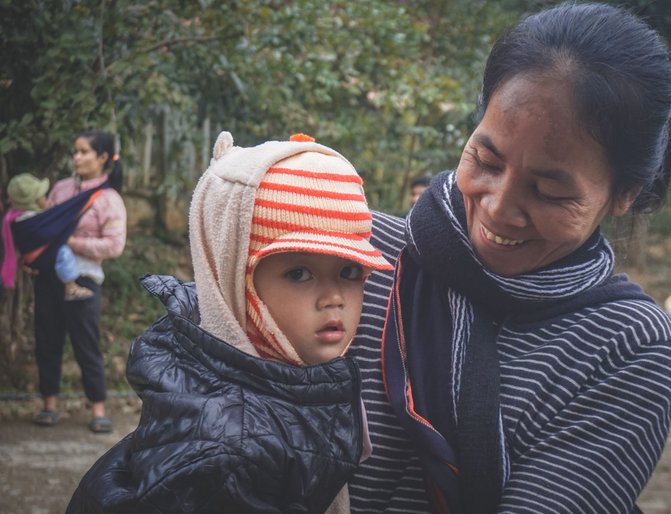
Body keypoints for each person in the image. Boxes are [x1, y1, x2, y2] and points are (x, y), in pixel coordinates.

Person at [344, 3, 671, 513]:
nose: (500, 209)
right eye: (485, 160)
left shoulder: (628, 345)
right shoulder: (351, 252)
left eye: (550, 191)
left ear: (624, 195)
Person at [67, 132, 393, 513]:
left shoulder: (267, 380)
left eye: (350, 271)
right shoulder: (232, 453)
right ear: (233, 277)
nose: (333, 297)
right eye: (300, 273)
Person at [31, 130, 127, 432]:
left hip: (84, 279)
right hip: (48, 277)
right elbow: (43, 229)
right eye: (75, 151)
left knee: (86, 343)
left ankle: (98, 408)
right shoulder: (59, 190)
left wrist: (71, 242)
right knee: (47, 339)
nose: (77, 157)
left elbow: (114, 245)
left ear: (102, 158)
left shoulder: (108, 200)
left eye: (84, 152)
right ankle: (49, 404)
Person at [2, 172, 94, 301]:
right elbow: (52, 231)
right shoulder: (36, 219)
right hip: (39, 254)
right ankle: (70, 286)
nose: (46, 199)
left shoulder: (13, 217)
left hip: (30, 256)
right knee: (63, 252)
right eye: (43, 196)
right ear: (34, 201)